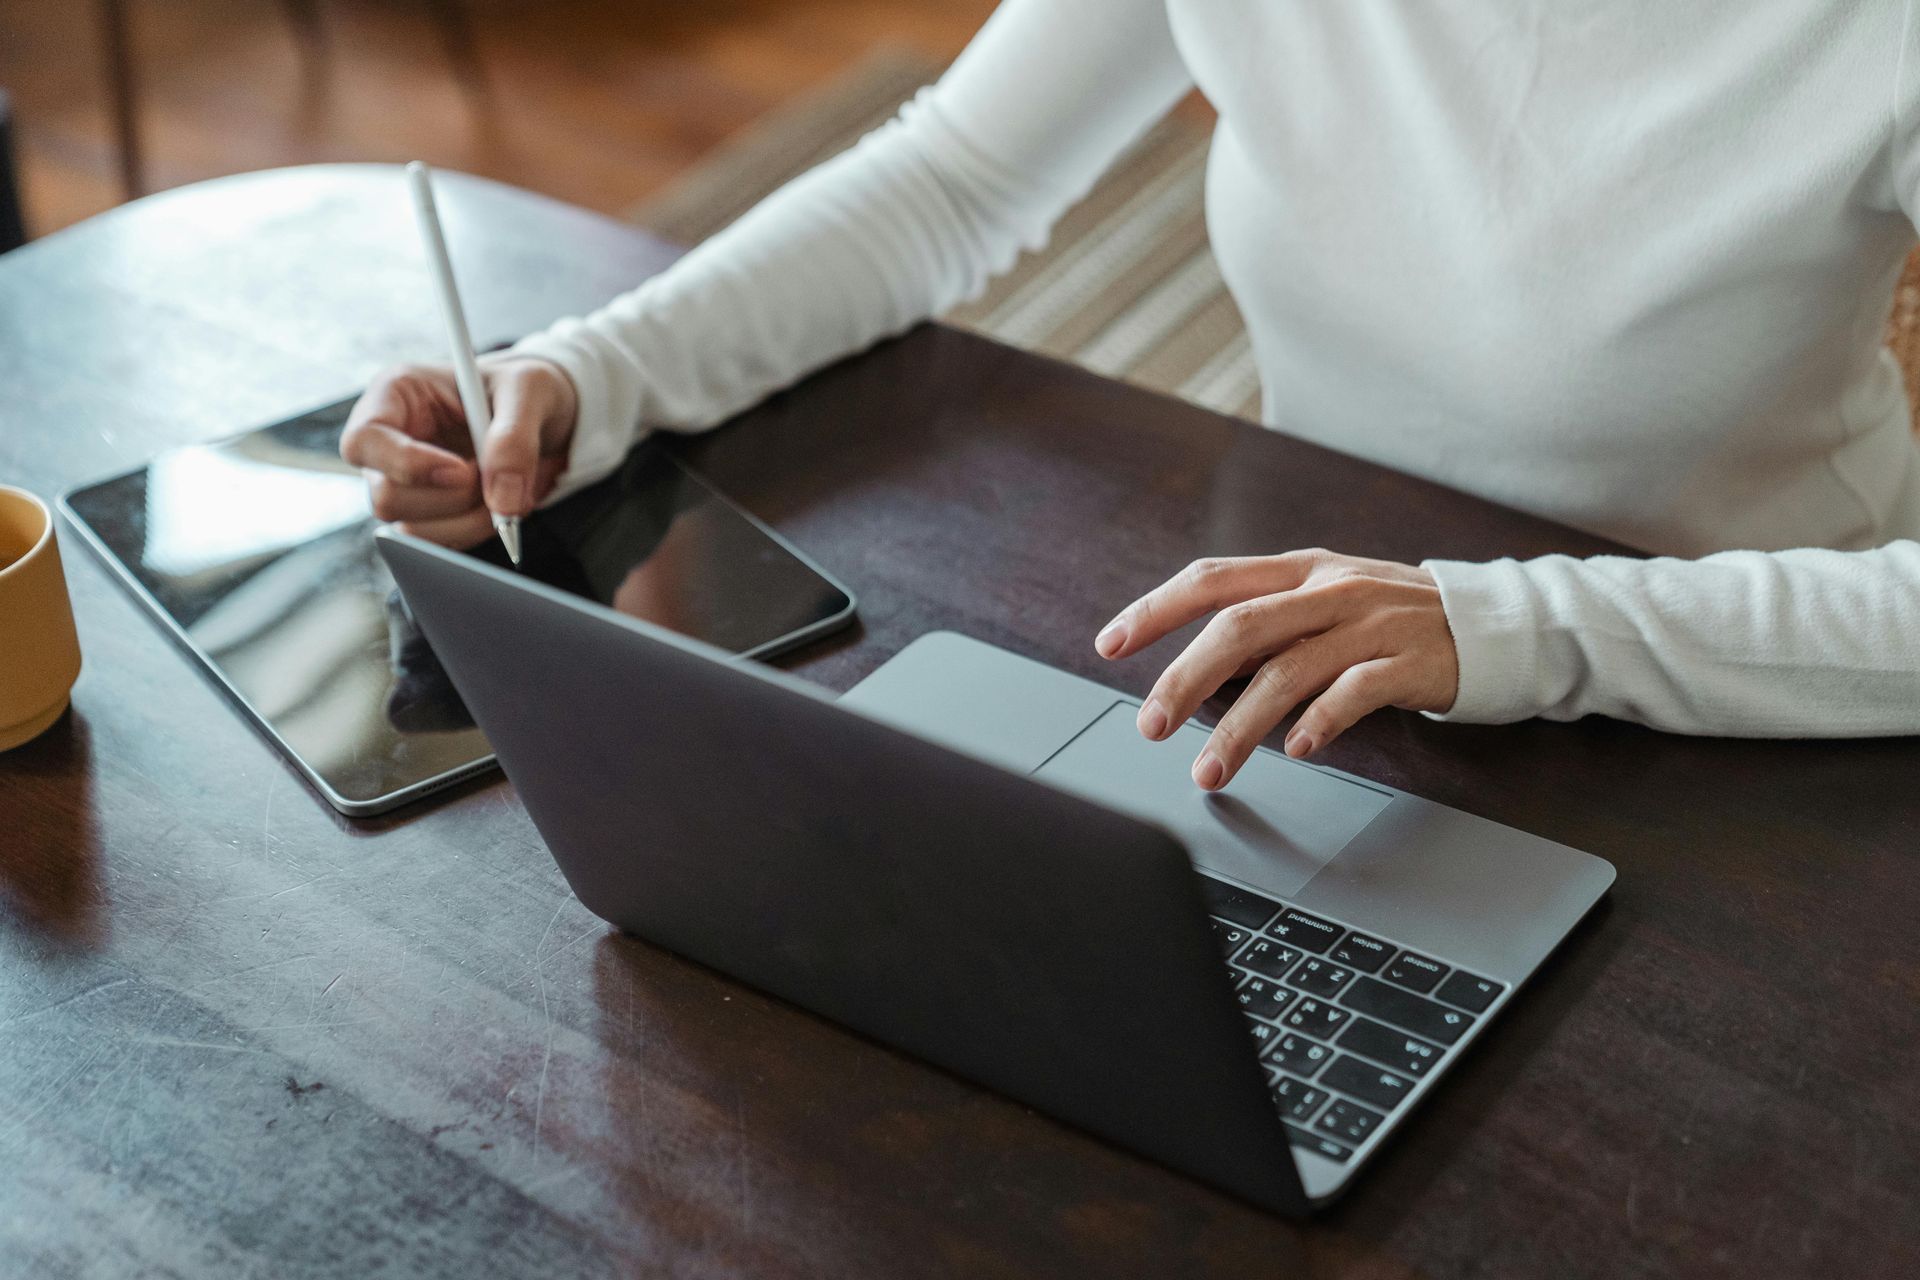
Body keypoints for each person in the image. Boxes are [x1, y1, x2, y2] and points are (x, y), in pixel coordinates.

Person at [342, 0, 1920, 793]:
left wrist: (1509, 628)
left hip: (1754, 700)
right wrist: (589, 370)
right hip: (1315, 653)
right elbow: (958, 177)